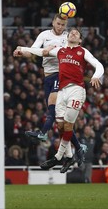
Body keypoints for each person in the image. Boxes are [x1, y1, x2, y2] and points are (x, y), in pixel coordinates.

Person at [18, 28, 104, 173]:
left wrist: (96, 76)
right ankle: (69, 155)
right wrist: (22, 49)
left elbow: (98, 64)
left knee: (68, 124)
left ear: (80, 40)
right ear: (68, 36)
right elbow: (40, 52)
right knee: (61, 126)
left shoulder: (82, 51)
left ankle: (58, 157)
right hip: (62, 91)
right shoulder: (60, 50)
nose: (73, 33)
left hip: (76, 90)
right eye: (72, 32)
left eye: (77, 33)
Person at [13, 14, 87, 166]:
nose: (60, 27)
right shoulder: (44, 35)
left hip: (61, 76)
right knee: (60, 122)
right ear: (53, 22)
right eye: (58, 23)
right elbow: (33, 51)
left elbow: (76, 50)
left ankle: (43, 133)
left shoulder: (68, 37)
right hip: (47, 77)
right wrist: (21, 52)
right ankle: (75, 150)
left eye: (63, 25)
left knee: (53, 109)